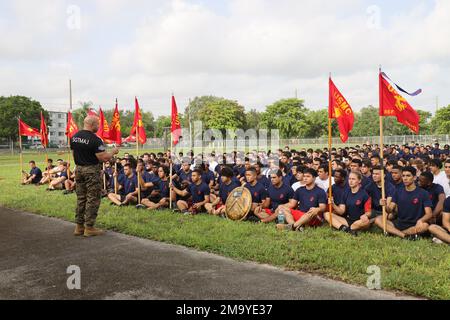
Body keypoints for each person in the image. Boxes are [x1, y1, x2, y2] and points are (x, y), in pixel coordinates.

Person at [71, 115, 119, 237]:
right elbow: (103, 157)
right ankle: (89, 227)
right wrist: (113, 151)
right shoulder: (95, 139)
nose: (98, 126)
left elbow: (74, 153)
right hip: (91, 171)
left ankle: (79, 227)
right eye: (98, 124)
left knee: (81, 198)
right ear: (92, 124)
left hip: (79, 169)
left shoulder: (74, 137)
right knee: (93, 198)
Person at [375, 166, 432, 240]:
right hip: (400, 223)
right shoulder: (398, 191)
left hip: (415, 224)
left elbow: (429, 214)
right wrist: (385, 205)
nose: (405, 178)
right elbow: (389, 210)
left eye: (408, 176)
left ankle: (395, 233)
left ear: (414, 177)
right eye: (403, 176)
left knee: (425, 226)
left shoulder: (423, 193)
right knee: (378, 219)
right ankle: (404, 235)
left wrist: (420, 220)